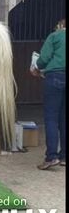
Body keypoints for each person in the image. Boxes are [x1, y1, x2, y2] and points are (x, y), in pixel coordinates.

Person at [30, 18, 66, 170]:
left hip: (55, 77)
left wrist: (36, 67)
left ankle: (52, 157)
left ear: (61, 25)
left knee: (51, 118)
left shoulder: (55, 36)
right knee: (64, 118)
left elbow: (44, 59)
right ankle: (64, 156)